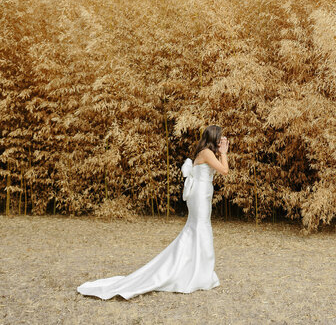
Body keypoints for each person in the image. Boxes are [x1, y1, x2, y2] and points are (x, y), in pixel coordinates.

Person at [78, 125, 230, 299]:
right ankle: (198, 274)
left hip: (202, 193)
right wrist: (224, 152)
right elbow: (225, 170)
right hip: (200, 194)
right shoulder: (206, 153)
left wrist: (221, 152)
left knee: (197, 228)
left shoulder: (206, 152)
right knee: (201, 227)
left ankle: (195, 270)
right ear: (214, 138)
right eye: (220, 138)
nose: (222, 140)